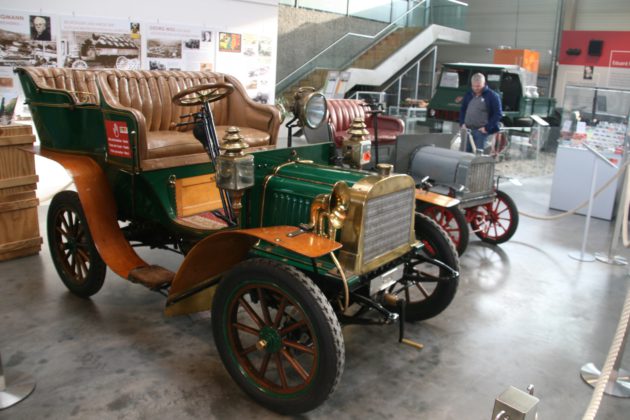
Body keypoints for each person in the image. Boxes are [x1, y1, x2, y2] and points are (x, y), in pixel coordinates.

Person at [458, 73, 502, 153]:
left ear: (484, 84)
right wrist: (462, 123)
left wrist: (487, 128)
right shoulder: (469, 94)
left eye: (478, 86)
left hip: (481, 132)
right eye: (473, 86)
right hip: (467, 130)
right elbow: (463, 109)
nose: (475, 88)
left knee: (479, 155)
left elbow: (498, 113)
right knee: (465, 153)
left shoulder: (492, 96)